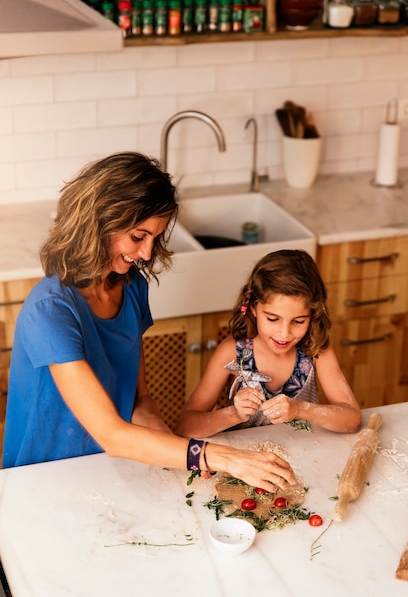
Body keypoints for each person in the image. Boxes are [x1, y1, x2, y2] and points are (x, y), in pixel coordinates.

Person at [2, 152, 295, 493]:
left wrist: (178, 450)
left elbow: (140, 400)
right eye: (138, 237)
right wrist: (218, 456)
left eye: (154, 238)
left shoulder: (131, 286)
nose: (145, 253)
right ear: (100, 223)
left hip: (110, 464)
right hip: (44, 477)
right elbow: (111, 433)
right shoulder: (50, 311)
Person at [175, 249, 362, 439]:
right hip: (244, 460)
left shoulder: (316, 349)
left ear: (313, 315)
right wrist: (234, 414)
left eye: (298, 321)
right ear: (253, 307)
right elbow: (186, 426)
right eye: (273, 319)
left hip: (304, 454)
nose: (284, 333)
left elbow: (352, 419)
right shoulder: (231, 352)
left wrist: (300, 409)